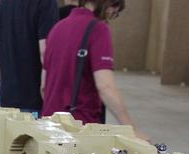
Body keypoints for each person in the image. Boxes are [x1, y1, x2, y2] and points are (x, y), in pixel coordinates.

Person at [40, 0, 148, 139]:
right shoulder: (98, 29)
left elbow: (44, 87)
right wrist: (132, 130)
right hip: (80, 128)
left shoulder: (57, 28)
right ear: (107, 4)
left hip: (48, 126)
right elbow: (105, 87)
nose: (110, 17)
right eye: (113, 12)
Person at [0, 0, 58, 113]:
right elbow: (45, 51)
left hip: (7, 98)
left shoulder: (2, 4)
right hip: (35, 98)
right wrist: (46, 89)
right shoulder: (46, 3)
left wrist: (5, 84)